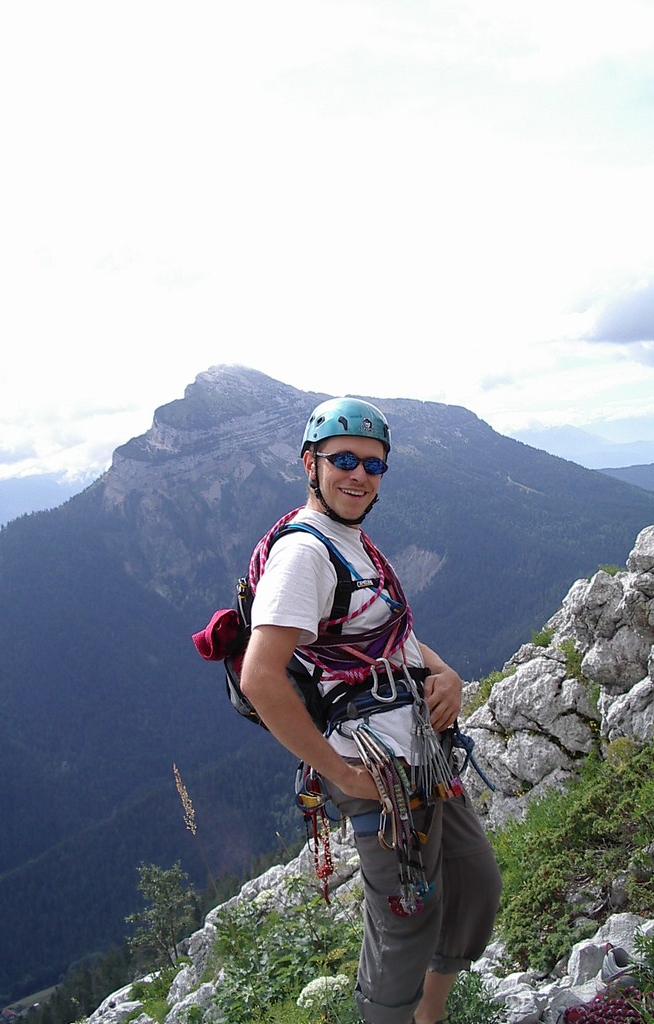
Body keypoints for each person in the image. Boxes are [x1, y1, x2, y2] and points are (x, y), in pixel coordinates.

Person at [240, 397, 502, 1024]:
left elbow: (385, 637)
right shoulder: (305, 554)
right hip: (374, 762)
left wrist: (444, 673)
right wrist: (341, 773)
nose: (359, 475)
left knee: (472, 884)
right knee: (405, 916)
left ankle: (428, 1017)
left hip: (419, 749)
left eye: (373, 464)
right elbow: (259, 676)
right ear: (311, 463)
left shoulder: (349, 541)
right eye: (344, 460)